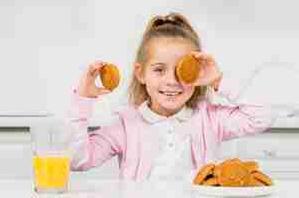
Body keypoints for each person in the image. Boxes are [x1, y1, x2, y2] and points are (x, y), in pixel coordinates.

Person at [66, 12, 276, 181]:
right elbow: (77, 160)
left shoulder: (210, 119)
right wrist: (83, 100)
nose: (172, 81)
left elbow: (262, 116)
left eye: (180, 71)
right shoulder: (125, 124)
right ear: (141, 73)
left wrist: (218, 81)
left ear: (195, 72)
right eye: (159, 70)